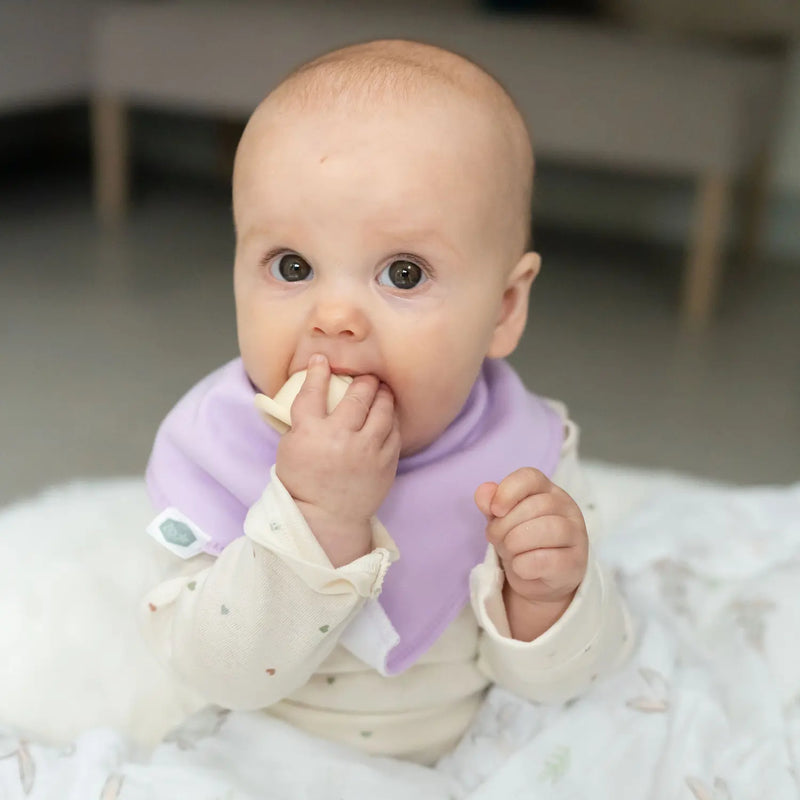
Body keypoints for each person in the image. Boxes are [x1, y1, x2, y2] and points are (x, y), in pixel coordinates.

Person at [142, 39, 633, 765]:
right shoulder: (212, 449)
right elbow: (214, 673)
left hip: (464, 758)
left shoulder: (526, 454)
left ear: (502, 309)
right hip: (252, 757)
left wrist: (549, 602)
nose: (334, 316)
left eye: (404, 273)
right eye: (292, 266)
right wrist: (315, 518)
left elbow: (574, 678)